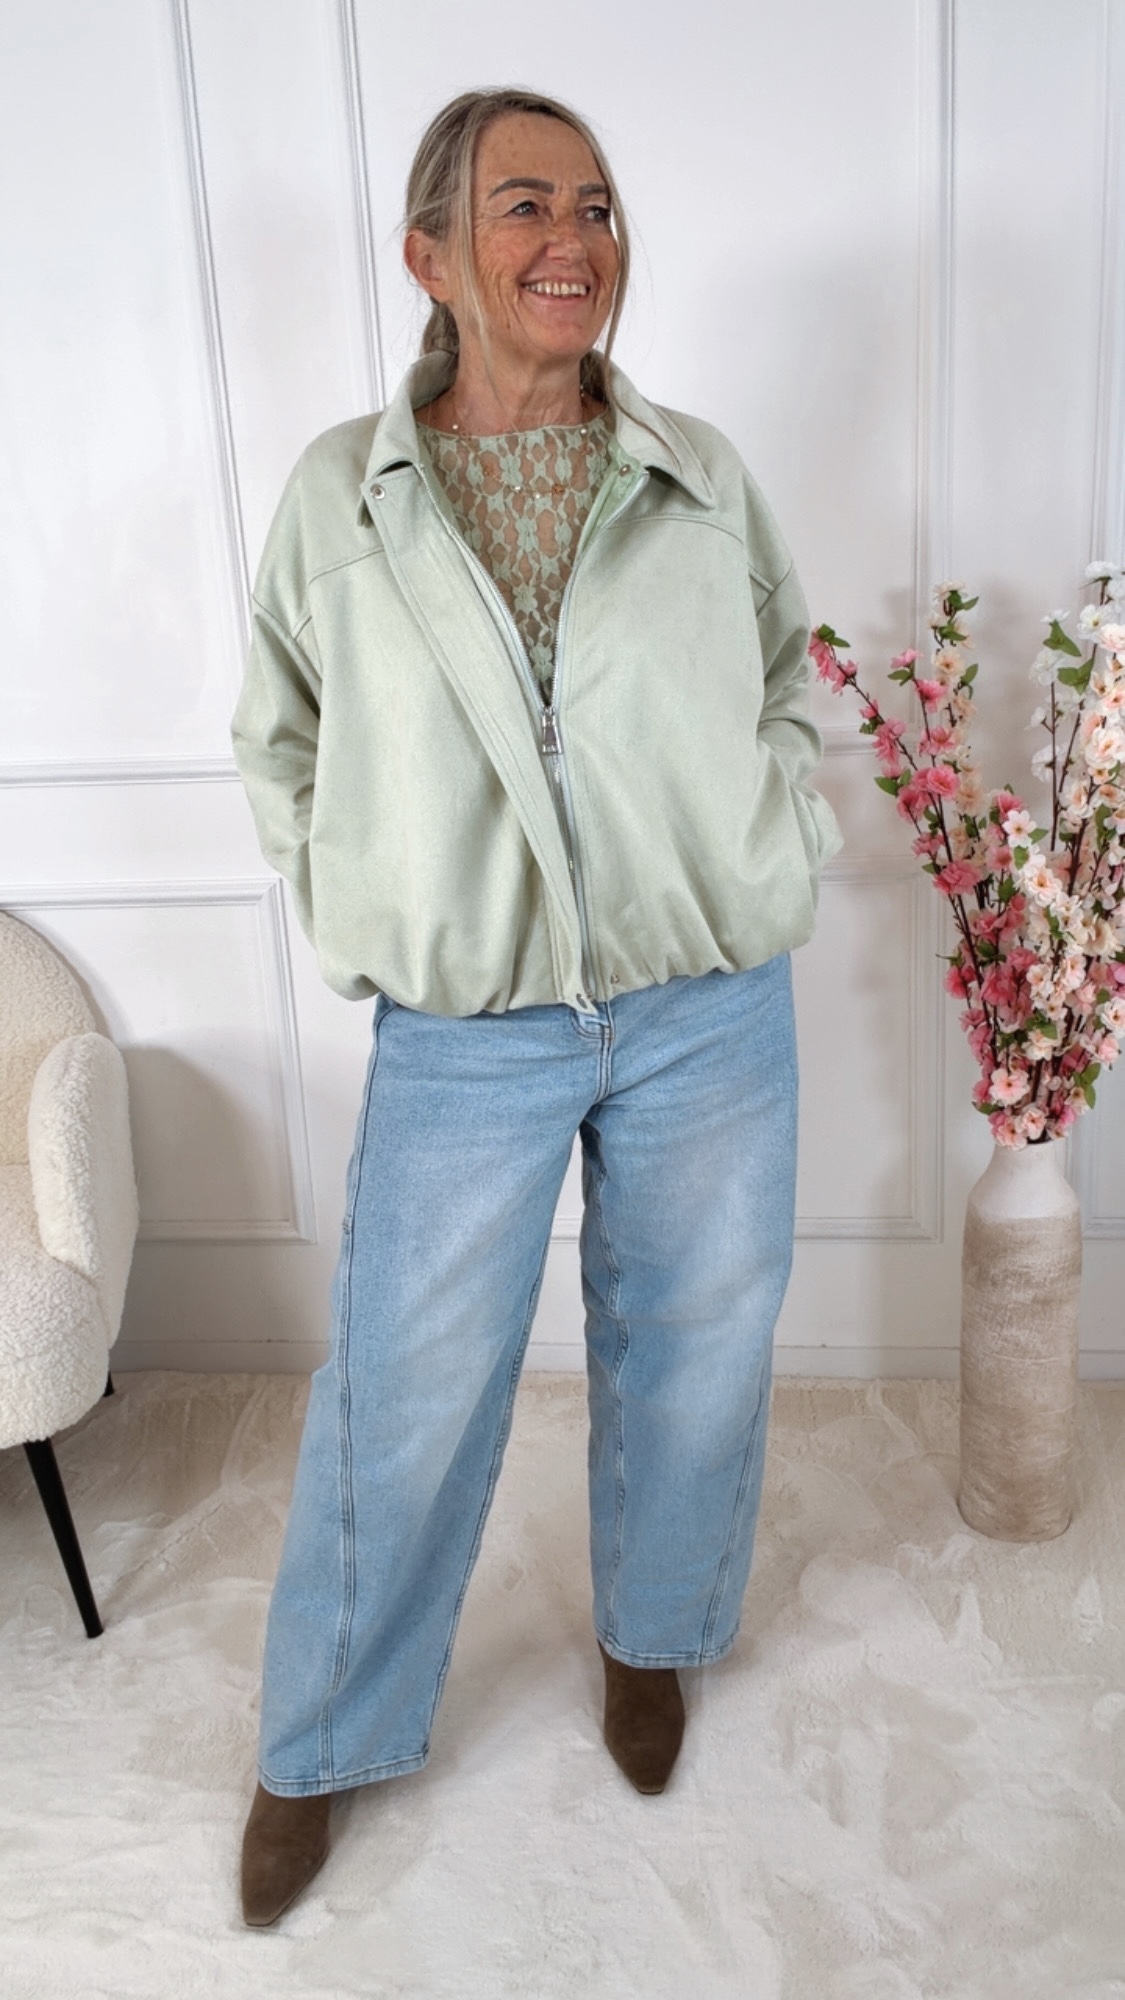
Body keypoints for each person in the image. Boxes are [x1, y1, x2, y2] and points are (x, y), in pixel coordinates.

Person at [231, 85, 840, 1928]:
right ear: (431, 255)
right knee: (403, 1391)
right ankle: (321, 1737)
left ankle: (654, 1639)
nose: (569, 237)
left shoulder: (697, 471)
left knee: (695, 1349)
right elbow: (278, 733)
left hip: (704, 1002)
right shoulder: (342, 494)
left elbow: (785, 672)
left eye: (593, 204)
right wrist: (359, 896)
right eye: (520, 205)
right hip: (468, 1026)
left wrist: (773, 827)